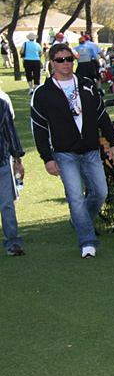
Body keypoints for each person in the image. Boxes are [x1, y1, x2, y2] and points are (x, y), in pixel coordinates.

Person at [30, 42, 114, 258]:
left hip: (90, 149)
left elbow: (102, 116)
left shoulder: (87, 84)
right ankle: (87, 242)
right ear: (52, 63)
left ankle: (79, 220)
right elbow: (39, 129)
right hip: (63, 153)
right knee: (75, 198)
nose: (66, 64)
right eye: (60, 60)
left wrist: (113, 143)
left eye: (69, 59)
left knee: (100, 193)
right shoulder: (42, 93)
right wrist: (47, 158)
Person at [0, 78, 25, 256]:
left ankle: (13, 242)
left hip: (1, 161)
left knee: (7, 203)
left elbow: (10, 131)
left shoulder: (2, 103)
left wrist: (17, 159)